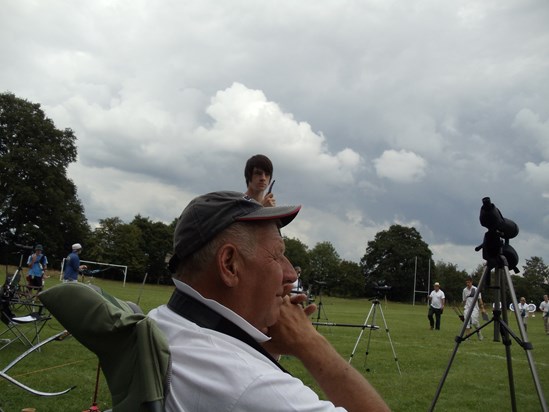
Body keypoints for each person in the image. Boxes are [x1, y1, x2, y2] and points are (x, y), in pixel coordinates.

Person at [149, 191, 389, 412]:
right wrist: (309, 342)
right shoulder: (249, 385)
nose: (291, 274)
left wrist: (263, 348)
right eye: (277, 255)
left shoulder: (159, 322)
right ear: (230, 264)